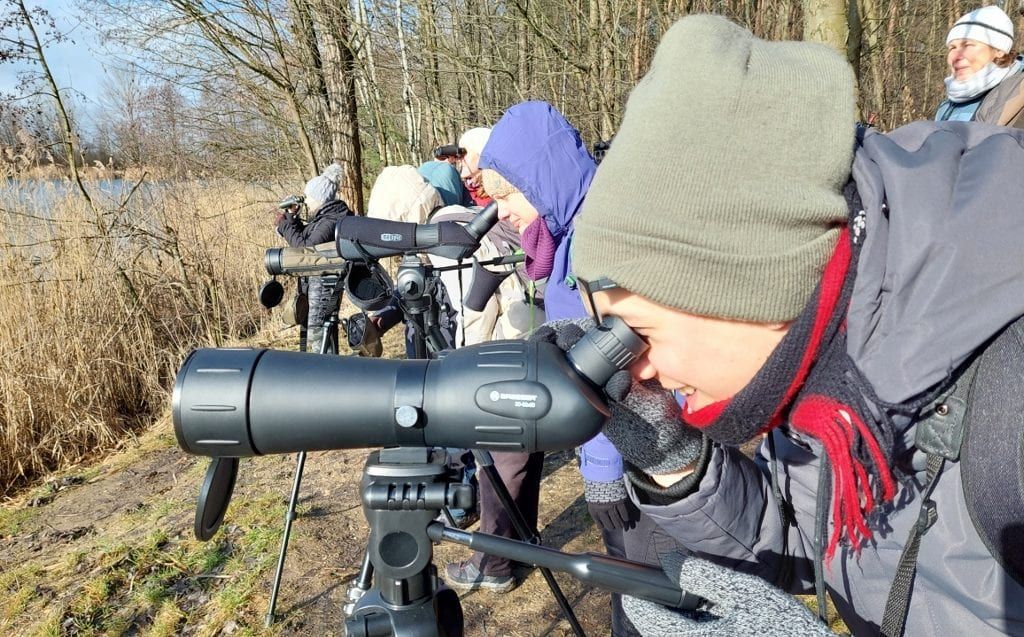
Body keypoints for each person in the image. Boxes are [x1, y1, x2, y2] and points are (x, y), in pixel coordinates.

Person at [558, 14, 1024, 636]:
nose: (635, 370)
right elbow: (812, 538)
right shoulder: (822, 360)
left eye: (637, 332)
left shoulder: (1008, 396)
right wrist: (673, 459)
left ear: (746, 281)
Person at [275, 162, 353, 352]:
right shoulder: (325, 218)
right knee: (321, 335)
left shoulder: (329, 221)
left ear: (320, 198)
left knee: (318, 335)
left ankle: (326, 368)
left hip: (323, 287)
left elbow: (305, 251)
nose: (307, 202)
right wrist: (291, 218)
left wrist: (284, 226)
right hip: (319, 285)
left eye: (309, 197)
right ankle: (326, 365)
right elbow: (306, 237)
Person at [936, 6, 1024, 126]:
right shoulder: (946, 107)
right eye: (952, 47)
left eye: (968, 45)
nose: (956, 56)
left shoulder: (1017, 95)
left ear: (999, 50)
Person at [458, 127, 492, 206]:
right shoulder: (461, 189)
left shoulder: (498, 195)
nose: (459, 159)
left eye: (463, 153)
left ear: (481, 155)